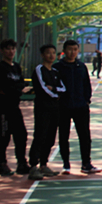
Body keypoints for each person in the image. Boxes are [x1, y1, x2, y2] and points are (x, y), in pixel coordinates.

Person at [53, 39, 101, 175]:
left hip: (81, 106)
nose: (72, 52)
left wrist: (86, 101)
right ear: (64, 51)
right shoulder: (57, 67)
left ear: (78, 51)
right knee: (64, 136)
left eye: (75, 49)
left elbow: (86, 85)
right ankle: (66, 164)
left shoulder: (81, 66)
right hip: (63, 107)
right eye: (69, 49)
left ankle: (86, 163)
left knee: (85, 136)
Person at [0, 38, 31, 177]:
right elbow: (3, 88)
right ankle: (2, 164)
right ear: (2, 51)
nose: (11, 51)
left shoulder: (16, 67)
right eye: (8, 49)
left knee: (21, 135)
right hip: (2, 108)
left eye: (13, 49)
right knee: (4, 136)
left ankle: (21, 163)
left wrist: (18, 88)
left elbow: (22, 83)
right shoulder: (0, 68)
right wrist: (18, 89)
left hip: (14, 107)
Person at [28, 44, 66, 180]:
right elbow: (42, 88)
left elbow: (63, 88)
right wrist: (55, 94)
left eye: (53, 52)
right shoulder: (39, 69)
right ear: (42, 55)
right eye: (48, 53)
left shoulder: (55, 72)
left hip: (55, 109)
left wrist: (54, 89)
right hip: (43, 108)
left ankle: (43, 165)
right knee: (40, 135)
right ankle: (33, 166)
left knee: (50, 137)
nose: (51, 55)